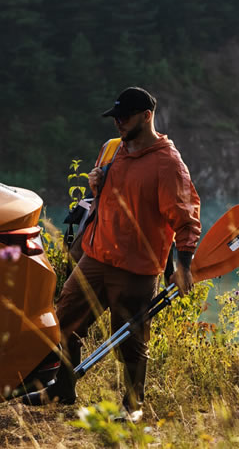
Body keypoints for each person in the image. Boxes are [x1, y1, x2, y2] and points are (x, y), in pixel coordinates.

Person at [23, 86, 202, 422]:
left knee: (130, 341)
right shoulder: (111, 149)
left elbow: (185, 218)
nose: (118, 122)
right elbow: (104, 200)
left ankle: (133, 407)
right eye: (115, 117)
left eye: (125, 117)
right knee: (65, 320)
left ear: (146, 116)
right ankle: (63, 388)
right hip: (95, 256)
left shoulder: (168, 164)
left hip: (136, 268)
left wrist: (183, 266)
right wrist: (96, 185)